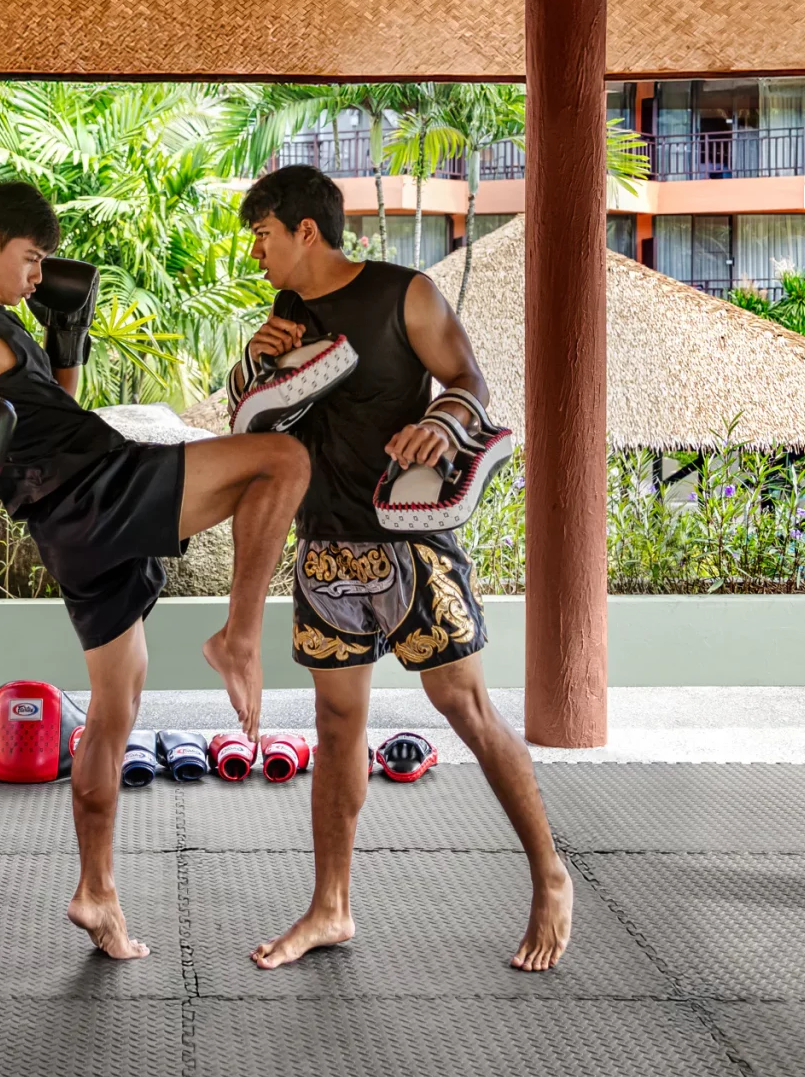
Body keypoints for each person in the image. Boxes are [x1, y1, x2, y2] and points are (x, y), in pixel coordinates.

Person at [0, 181, 308, 960]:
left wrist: (67, 345)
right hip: (101, 489)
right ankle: (239, 636)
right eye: (29, 260)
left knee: (114, 707)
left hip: (71, 523)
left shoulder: (6, 326)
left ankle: (96, 893)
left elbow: (52, 419)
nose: (38, 276)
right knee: (283, 459)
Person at [231, 165, 573, 973]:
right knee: (337, 725)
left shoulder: (403, 293)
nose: (257, 254)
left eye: (264, 236)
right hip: (326, 543)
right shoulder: (286, 313)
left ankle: (550, 873)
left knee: (467, 708)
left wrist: (440, 425)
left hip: (411, 539)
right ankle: (330, 907)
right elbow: (258, 422)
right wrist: (253, 363)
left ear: (304, 230)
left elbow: (469, 381)